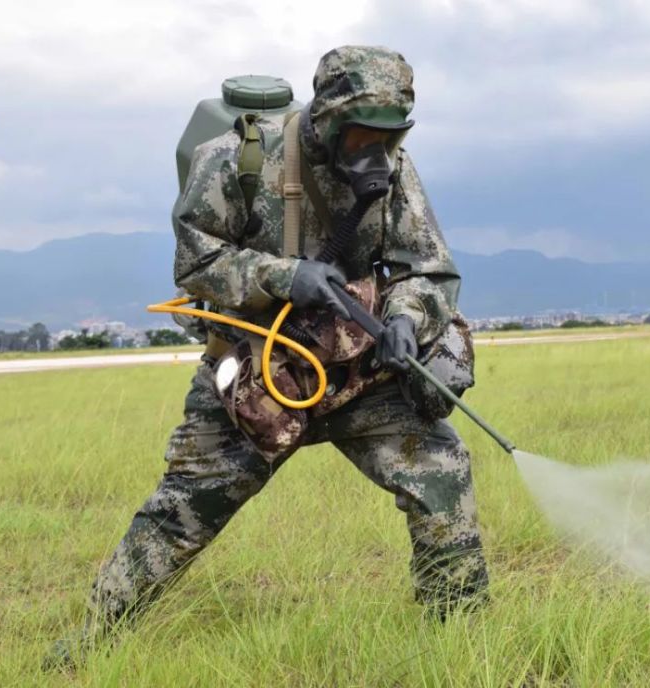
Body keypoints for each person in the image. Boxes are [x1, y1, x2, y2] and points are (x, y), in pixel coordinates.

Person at [46, 45, 488, 668]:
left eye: (391, 135)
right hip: (260, 370)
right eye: (362, 133)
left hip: (357, 367)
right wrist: (283, 277)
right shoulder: (232, 160)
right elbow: (196, 265)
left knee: (441, 474)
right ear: (328, 117)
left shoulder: (394, 172)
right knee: (181, 512)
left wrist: (406, 322)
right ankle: (85, 649)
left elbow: (430, 270)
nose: (375, 150)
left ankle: (465, 646)